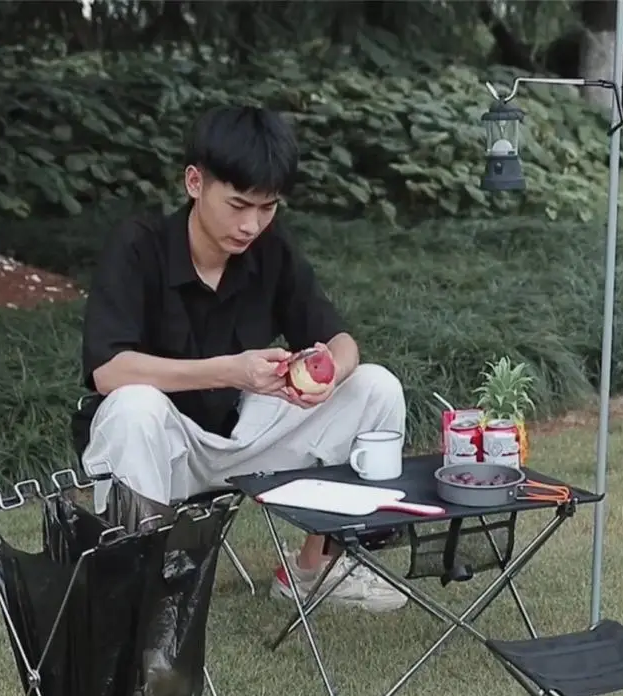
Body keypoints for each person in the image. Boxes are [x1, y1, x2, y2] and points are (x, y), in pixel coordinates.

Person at [76, 105, 408, 614]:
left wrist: (327, 372)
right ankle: (137, 595)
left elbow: (342, 342)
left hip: (247, 435)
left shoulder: (271, 250)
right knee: (132, 406)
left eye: (267, 207)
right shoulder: (139, 246)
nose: (251, 224)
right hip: (165, 447)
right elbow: (108, 370)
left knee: (376, 387)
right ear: (194, 182)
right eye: (237, 205)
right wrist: (231, 369)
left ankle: (312, 571)